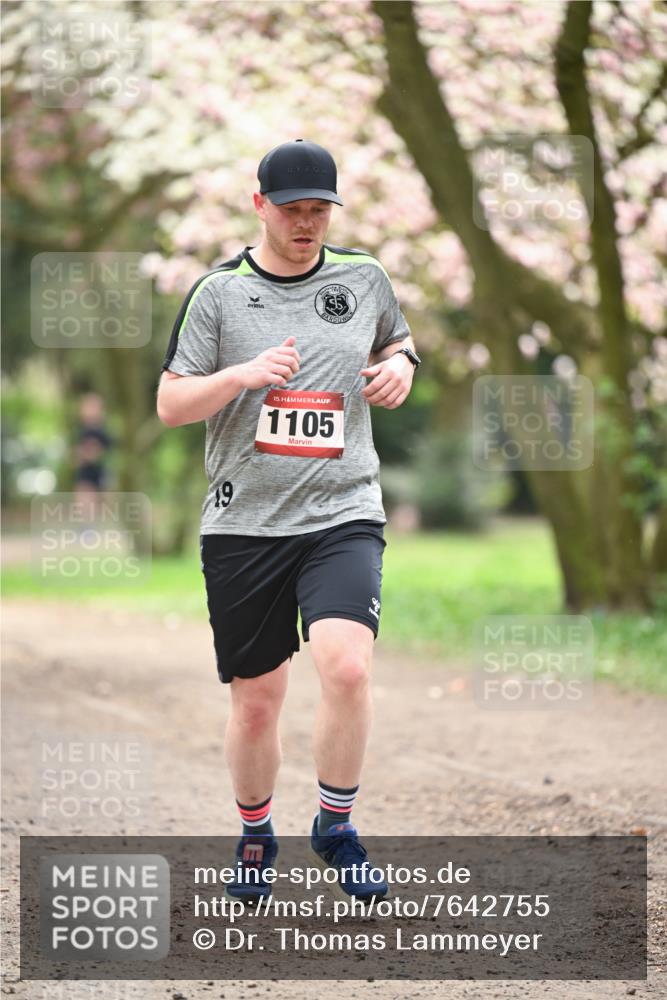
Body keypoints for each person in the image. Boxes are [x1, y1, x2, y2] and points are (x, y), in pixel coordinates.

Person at [157, 139, 421, 902]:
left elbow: (395, 339)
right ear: (259, 206)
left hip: (342, 511)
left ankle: (336, 827)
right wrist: (240, 374)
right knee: (257, 702)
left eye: (319, 211)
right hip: (245, 525)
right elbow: (172, 404)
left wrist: (402, 363)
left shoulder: (362, 277)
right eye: (293, 210)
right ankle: (253, 832)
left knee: (346, 664)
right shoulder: (217, 295)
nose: (307, 224)